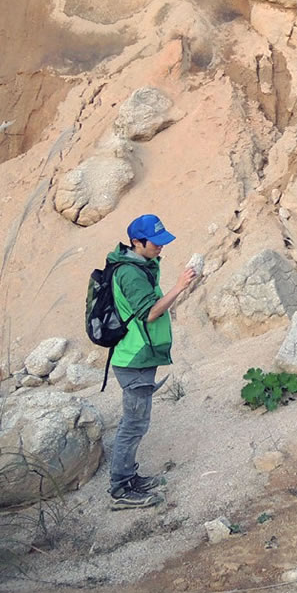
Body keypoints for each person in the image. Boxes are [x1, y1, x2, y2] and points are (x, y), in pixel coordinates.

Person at [105, 213, 196, 510]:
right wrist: (180, 286)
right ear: (136, 242)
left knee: (137, 422)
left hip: (140, 355)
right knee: (133, 425)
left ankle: (129, 477)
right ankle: (120, 489)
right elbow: (150, 313)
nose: (160, 247)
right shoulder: (130, 273)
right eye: (155, 243)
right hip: (133, 359)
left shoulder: (141, 265)